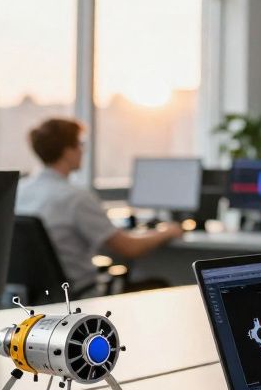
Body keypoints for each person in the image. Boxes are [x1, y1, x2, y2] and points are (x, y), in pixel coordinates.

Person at [16, 118, 183, 292]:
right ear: (67, 151)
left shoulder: (20, 190)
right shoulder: (76, 198)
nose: (83, 150)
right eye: (80, 144)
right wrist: (167, 231)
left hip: (35, 297)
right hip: (82, 293)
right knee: (161, 286)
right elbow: (129, 248)